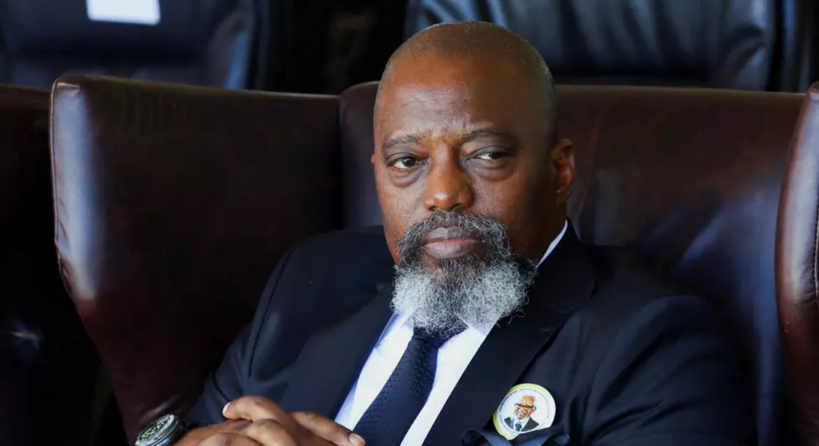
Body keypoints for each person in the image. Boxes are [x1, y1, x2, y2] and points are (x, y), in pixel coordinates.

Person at [167, 21, 753, 446]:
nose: (444, 193)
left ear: (560, 170)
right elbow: (179, 430)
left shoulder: (648, 338)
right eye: (407, 162)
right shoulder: (310, 279)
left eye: (486, 155)